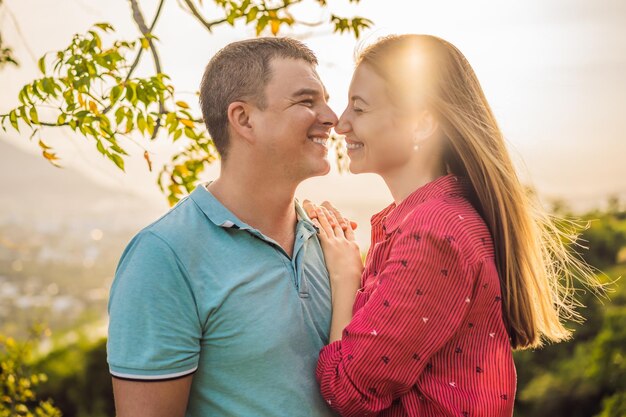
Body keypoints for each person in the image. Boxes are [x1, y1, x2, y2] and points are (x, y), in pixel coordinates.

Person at [304, 34, 598, 417]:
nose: (341, 124)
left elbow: (348, 390)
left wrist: (345, 275)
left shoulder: (433, 232)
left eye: (359, 108)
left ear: (422, 123)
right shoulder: (439, 219)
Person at [106, 37, 341, 417]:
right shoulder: (163, 256)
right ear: (244, 119)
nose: (332, 117)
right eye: (306, 101)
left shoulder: (328, 239)